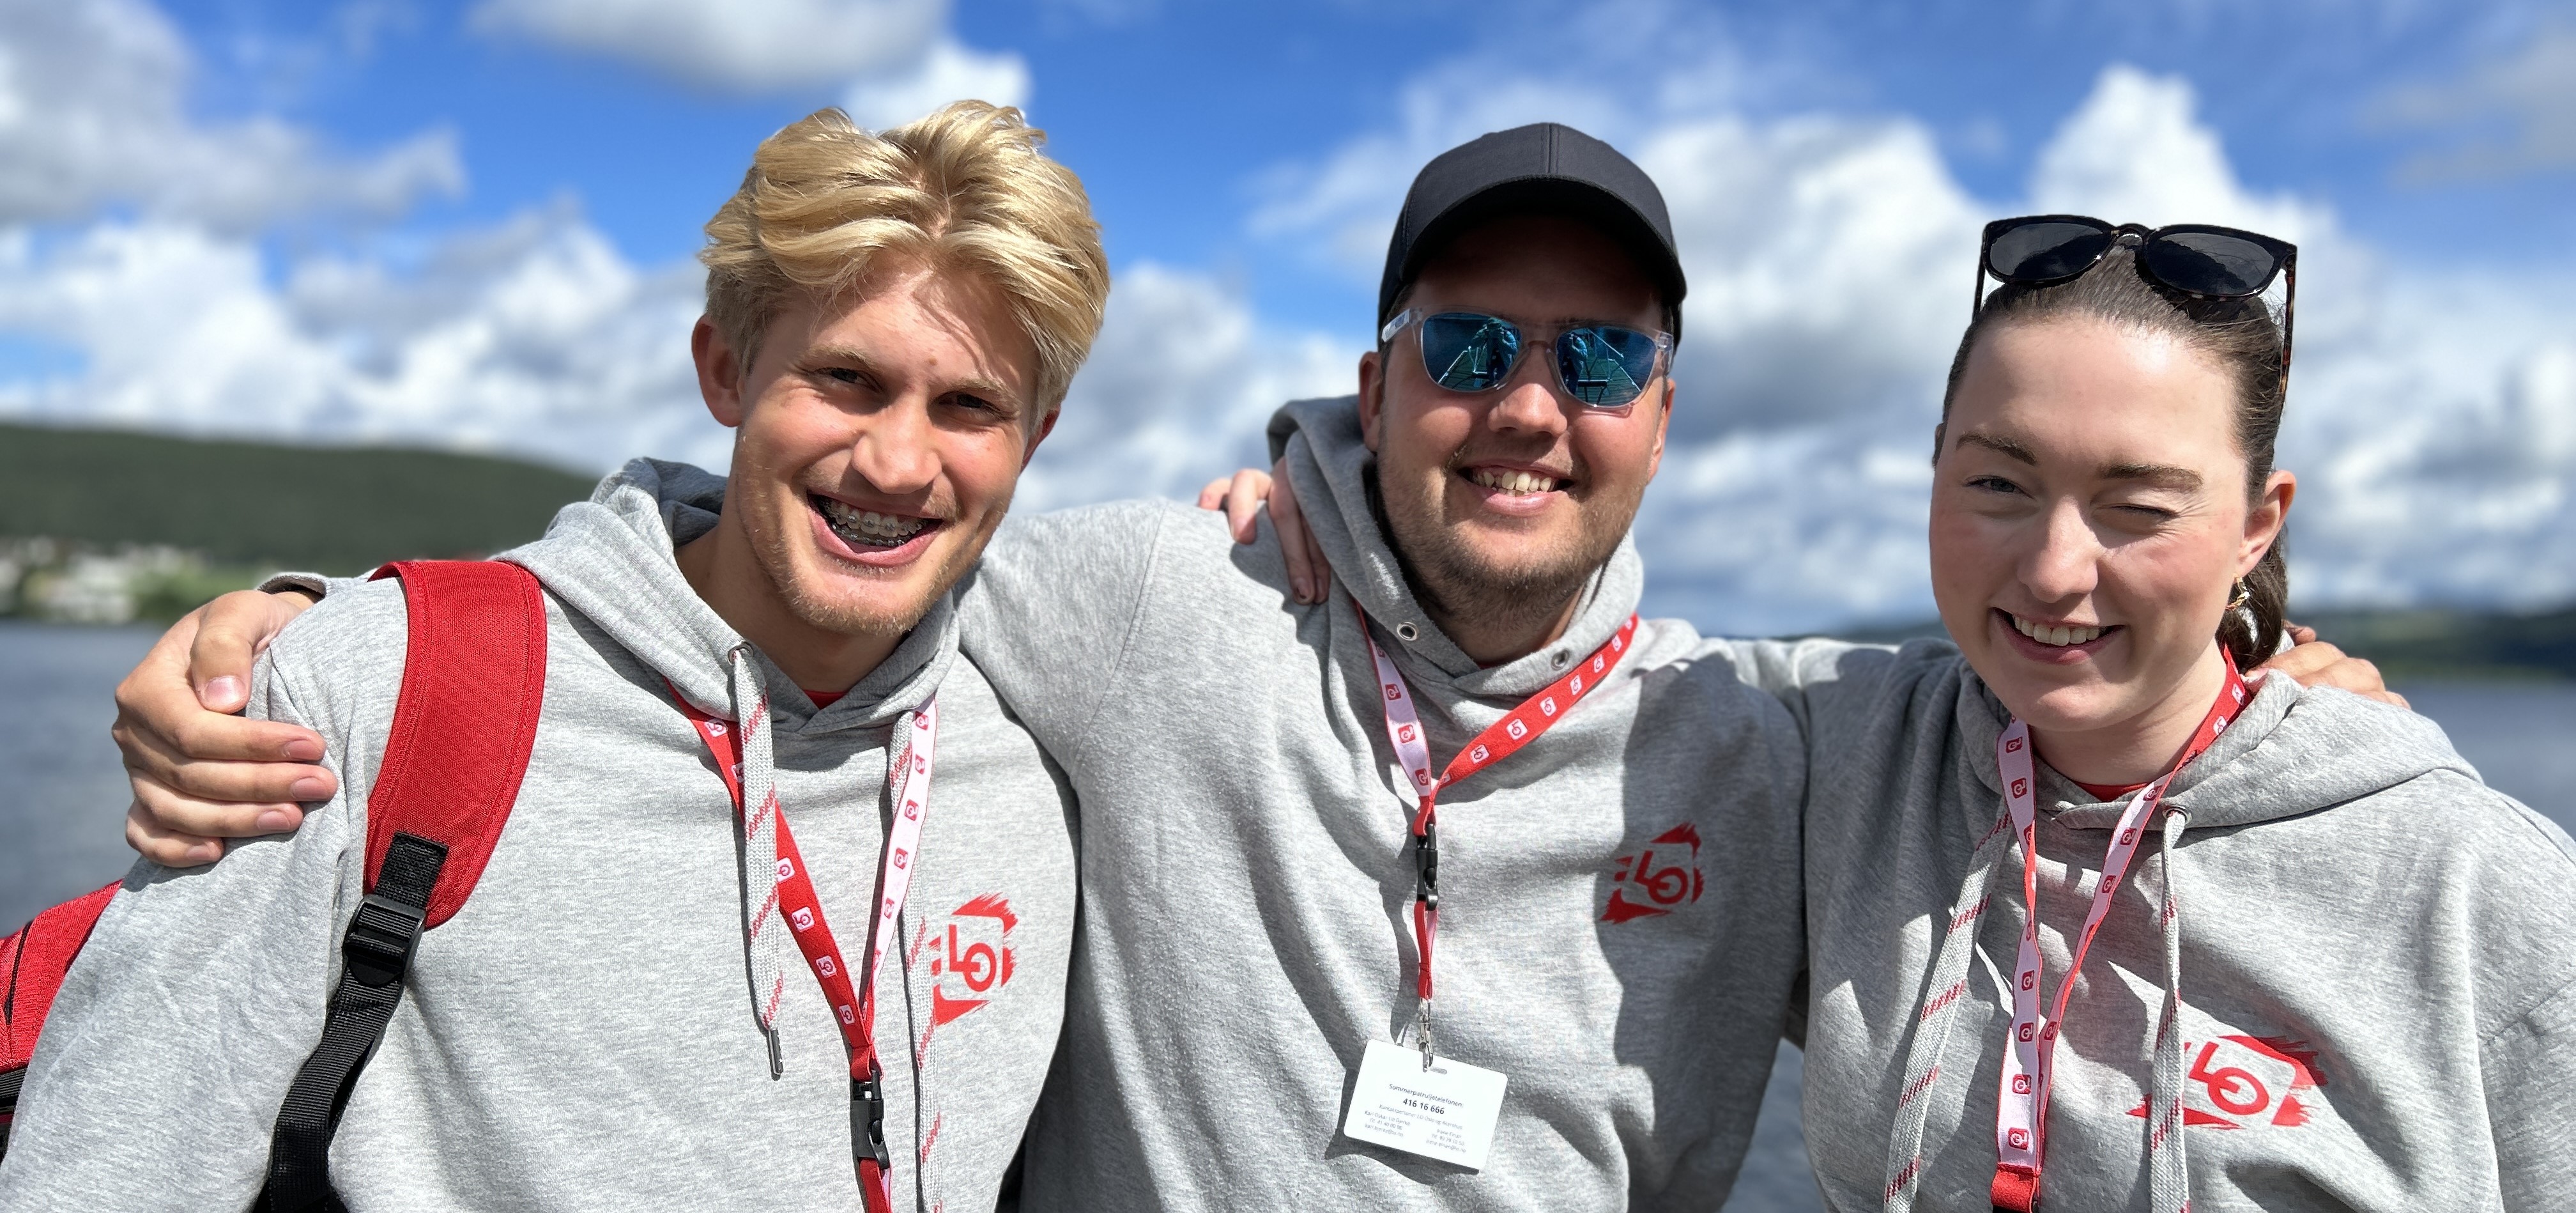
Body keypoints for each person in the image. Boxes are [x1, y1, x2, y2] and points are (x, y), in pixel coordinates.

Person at [84, 131, 2398, 1209]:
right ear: (1373, 384)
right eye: (1468, 347)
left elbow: (2071, 691)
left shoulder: (1772, 736)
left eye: (1597, 356)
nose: (1529, 405)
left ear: (1668, 413)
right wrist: (324, 625)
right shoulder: (1150, 599)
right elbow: (798, 572)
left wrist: (2268, 672)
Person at [0, 102, 1106, 1212]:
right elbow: (111, 1168)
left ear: (1037, 435)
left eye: (969, 405)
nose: (899, 461)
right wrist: (318, 629)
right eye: (847, 379)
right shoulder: (377, 690)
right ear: (726, 370)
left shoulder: (1046, 757)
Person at [1732, 223, 2576, 1210]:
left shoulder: (2479, 891)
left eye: (2137, 505)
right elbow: (1597, 670)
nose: (2055, 570)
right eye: (1998, 482)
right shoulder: (1846, 751)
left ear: (2255, 527)